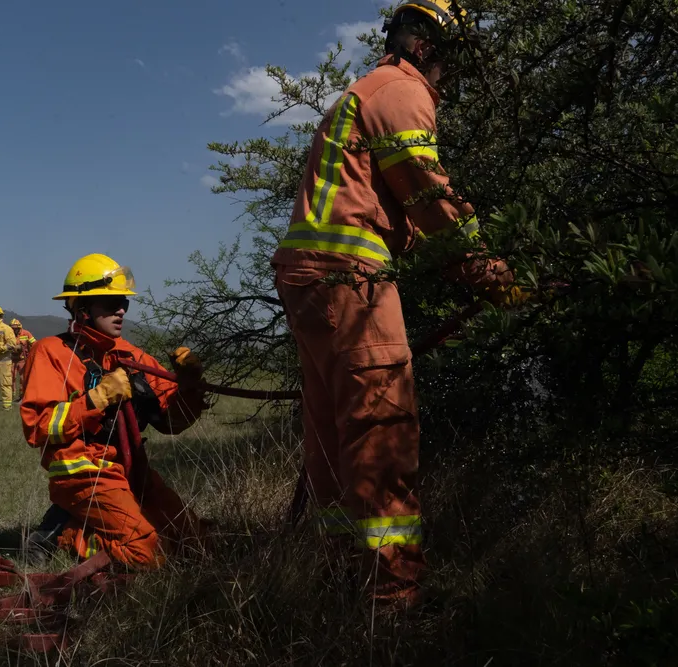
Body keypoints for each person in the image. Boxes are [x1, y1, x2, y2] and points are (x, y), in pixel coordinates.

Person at [270, 0, 522, 609]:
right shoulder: (401, 92)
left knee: (332, 434)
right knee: (383, 431)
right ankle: (393, 602)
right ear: (429, 47)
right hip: (351, 282)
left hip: (310, 284)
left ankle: (336, 581)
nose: (450, 75)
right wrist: (490, 273)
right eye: (451, 59)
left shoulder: (363, 91)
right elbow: (427, 191)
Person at [19, 253, 208, 568]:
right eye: (110, 302)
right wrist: (98, 398)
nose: (120, 309)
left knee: (196, 541)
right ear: (82, 309)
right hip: (83, 473)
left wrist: (189, 388)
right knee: (148, 553)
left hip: (132, 471)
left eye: (124, 302)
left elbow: (173, 423)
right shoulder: (50, 352)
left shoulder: (132, 355)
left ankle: (79, 523)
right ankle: (70, 535)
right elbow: (38, 427)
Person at [8, 318, 37, 402]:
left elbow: (34, 344)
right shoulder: (9, 335)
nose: (14, 330)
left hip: (23, 360)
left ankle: (22, 396)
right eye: (12, 329)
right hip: (12, 360)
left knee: (23, 379)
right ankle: (10, 396)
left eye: (15, 329)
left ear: (19, 328)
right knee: (10, 378)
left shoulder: (26, 333)